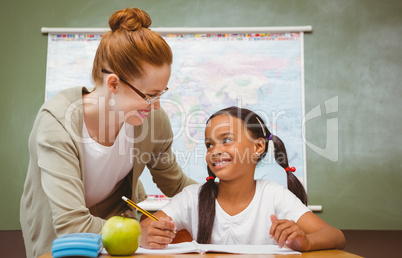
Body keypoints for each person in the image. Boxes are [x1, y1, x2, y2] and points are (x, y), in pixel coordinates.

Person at [20, 7, 197, 258]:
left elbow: (176, 184)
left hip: (120, 244)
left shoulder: (154, 120)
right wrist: (138, 232)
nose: (156, 105)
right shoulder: (58, 122)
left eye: (161, 93)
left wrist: (237, 198)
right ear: (113, 83)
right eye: (149, 95)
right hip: (61, 243)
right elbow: (71, 224)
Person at [140, 106, 345, 251]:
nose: (215, 151)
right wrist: (145, 235)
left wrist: (305, 242)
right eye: (209, 144)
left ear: (258, 147)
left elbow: (336, 236)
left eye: (227, 140)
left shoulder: (273, 196)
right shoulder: (193, 197)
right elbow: (144, 227)